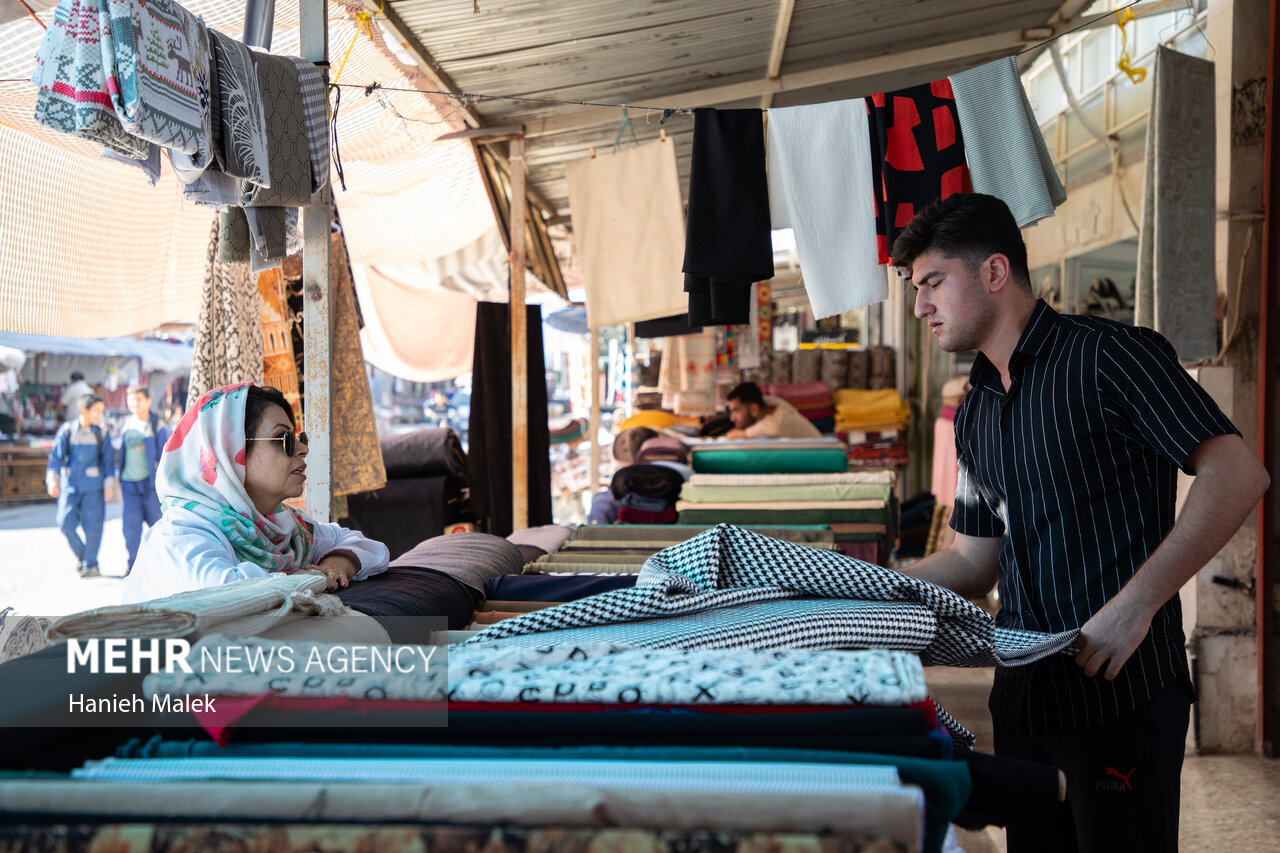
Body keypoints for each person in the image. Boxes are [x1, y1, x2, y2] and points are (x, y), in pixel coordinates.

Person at [894, 193, 1269, 852]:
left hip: (1119, 697)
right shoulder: (978, 408)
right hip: (1024, 703)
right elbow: (974, 560)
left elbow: (1237, 474)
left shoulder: (1110, 357)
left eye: (931, 283)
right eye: (914, 287)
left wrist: (1137, 605)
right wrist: (873, 587)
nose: (919, 306)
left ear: (994, 272)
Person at [122, 383, 389, 603]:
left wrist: (337, 565)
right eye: (284, 440)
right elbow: (229, 593)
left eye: (299, 439)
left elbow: (369, 548)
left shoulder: (288, 530)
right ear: (228, 452)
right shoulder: (183, 533)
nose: (302, 450)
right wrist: (312, 578)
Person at [46, 394, 115, 578]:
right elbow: (55, 459)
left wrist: (109, 485)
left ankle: (90, 565)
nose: (100, 415)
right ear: (84, 410)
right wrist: (52, 480)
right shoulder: (67, 431)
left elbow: (108, 462)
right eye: (97, 411)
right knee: (65, 524)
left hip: (94, 487)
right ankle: (85, 557)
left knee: (93, 527)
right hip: (70, 486)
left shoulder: (102, 433)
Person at [114, 386, 170, 575]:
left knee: (158, 527)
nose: (134, 403)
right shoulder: (126, 424)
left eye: (138, 399)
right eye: (131, 400)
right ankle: (134, 566)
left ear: (148, 401)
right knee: (130, 528)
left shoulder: (158, 425)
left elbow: (167, 454)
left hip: (151, 485)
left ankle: (163, 565)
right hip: (129, 485)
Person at [724, 382, 821, 439]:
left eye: (736, 410)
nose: (732, 418)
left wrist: (739, 433)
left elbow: (732, 436)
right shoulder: (771, 403)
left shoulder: (776, 424)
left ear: (754, 409)